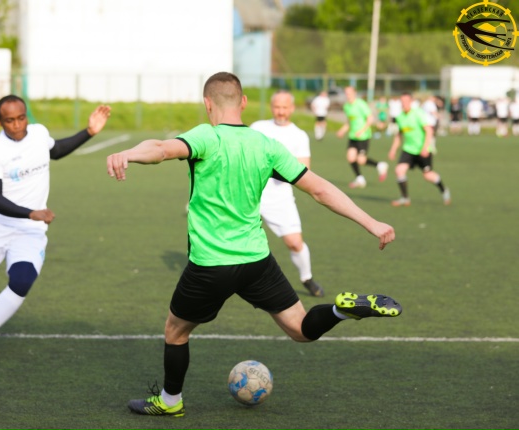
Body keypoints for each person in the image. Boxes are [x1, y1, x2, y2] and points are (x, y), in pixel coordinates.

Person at [106, 72, 401, 418]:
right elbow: (320, 190)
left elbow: (160, 148)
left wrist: (128, 154)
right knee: (301, 330)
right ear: (243, 102)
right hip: (256, 261)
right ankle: (340, 310)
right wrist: (372, 222)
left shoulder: (207, 136)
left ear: (207, 103)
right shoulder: (267, 145)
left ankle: (171, 401)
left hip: (211, 264)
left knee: (176, 330)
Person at [0, 95, 111, 363]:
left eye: (21, 118)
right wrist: (31, 212)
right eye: (9, 120)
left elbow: (56, 150)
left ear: (26, 116)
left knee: (21, 281)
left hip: (30, 231)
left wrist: (89, 132)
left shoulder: (39, 134)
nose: (17, 125)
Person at [250, 90, 324, 297]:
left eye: (284, 107)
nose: (280, 111)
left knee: (294, 242)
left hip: (279, 199)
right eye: (277, 107)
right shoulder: (258, 128)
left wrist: (276, 170)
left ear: (291, 108)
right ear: (271, 107)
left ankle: (307, 278)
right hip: (249, 194)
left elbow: (304, 169)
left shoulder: (299, 135)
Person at [388, 92, 451, 207]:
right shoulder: (400, 117)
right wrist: (393, 149)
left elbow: (429, 131)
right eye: (402, 102)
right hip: (408, 149)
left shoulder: (418, 113)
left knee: (428, 175)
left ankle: (444, 190)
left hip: (422, 149)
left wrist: (425, 148)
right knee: (399, 170)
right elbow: (399, 135)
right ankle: (405, 198)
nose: (404, 104)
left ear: (411, 102)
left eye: (406, 101)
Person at [336, 86, 388, 189]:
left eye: (350, 93)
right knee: (350, 157)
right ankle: (360, 179)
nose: (348, 95)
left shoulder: (361, 104)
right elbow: (349, 121)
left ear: (355, 93)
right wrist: (342, 130)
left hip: (363, 137)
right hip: (353, 136)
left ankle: (380, 165)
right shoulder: (346, 106)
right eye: (346, 93)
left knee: (361, 160)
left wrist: (362, 130)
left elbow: (370, 118)